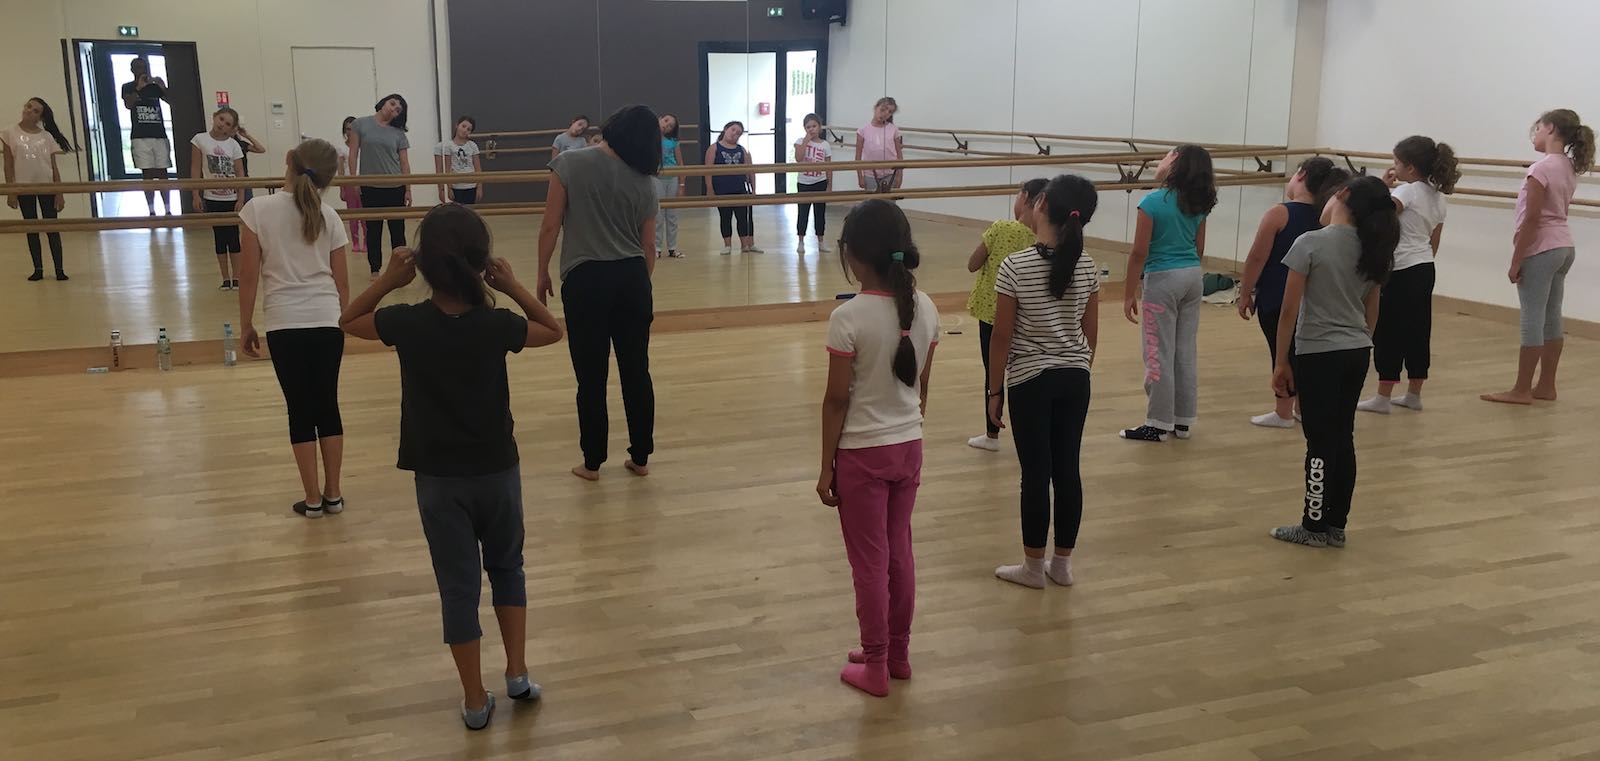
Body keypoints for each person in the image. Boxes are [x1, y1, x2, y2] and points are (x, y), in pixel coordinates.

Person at [340, 204, 563, 731]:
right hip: (497, 470)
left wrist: (388, 280)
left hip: (438, 479)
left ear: (424, 266)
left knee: (458, 587)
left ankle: (474, 699)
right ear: (481, 263)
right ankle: (517, 673)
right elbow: (552, 329)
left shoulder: (407, 322)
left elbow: (347, 321)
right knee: (507, 568)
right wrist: (512, 286)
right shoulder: (495, 324)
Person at [816, 198, 938, 697]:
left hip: (862, 454)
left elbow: (836, 400)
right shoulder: (926, 307)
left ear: (852, 255)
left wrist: (826, 467)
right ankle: (897, 655)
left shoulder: (847, 317)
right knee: (899, 553)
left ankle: (875, 665)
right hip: (908, 446)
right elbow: (922, 386)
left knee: (869, 563)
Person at [1268, 176, 1398, 548]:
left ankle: (1312, 526)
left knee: (1319, 442)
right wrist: (1362, 342)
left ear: (1342, 195)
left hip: (1318, 353)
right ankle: (1336, 525)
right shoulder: (1373, 248)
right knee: (1343, 437)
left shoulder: (1311, 242)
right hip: (1356, 350)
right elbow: (1372, 309)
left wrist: (1281, 361)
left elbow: (1288, 310)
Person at [986, 175, 1099, 588]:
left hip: (1030, 380)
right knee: (1068, 469)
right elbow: (1090, 334)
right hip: (1076, 378)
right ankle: (1062, 565)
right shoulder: (1087, 266)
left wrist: (994, 391)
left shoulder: (1015, 266)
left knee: (1035, 473)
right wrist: (1079, 367)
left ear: (1042, 204)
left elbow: (1001, 336)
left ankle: (1033, 568)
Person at [537, 105, 661, 481]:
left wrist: (542, 272)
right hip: (632, 278)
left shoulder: (569, 163)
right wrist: (639, 284)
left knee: (590, 376)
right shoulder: (646, 180)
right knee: (636, 370)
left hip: (586, 278)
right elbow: (649, 247)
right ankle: (641, 457)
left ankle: (592, 463)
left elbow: (550, 225)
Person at [235, 139, 350, 520]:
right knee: (327, 406)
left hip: (284, 324)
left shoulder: (257, 210)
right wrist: (342, 322)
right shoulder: (330, 216)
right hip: (327, 321)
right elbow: (342, 283)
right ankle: (334, 494)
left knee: (299, 409)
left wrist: (246, 325)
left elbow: (248, 277)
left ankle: (312, 499)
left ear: (288, 160)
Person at [1482, 110, 1592, 406]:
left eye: (1539, 128)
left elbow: (1531, 219)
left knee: (1532, 317)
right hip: (1563, 247)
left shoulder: (1541, 168)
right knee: (1552, 316)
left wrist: (1516, 260)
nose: (1536, 134)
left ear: (1551, 128)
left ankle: (1521, 389)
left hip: (1541, 247)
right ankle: (1545, 385)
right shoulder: (1568, 166)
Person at [1237, 157, 1351, 428]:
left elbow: (1257, 258)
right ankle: (1302, 408)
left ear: (1301, 175)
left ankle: (1283, 411)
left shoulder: (1279, 213)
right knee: (1302, 355)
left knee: (1281, 353)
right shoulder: (1328, 216)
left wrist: (1245, 292)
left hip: (1276, 297)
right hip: (1312, 300)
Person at [1357, 136, 1460, 415]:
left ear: (1411, 168)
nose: (1394, 167)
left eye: (1397, 162)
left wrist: (1381, 188)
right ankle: (1414, 393)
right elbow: (1434, 240)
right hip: (1424, 267)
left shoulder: (1408, 191)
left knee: (1389, 331)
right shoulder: (1437, 197)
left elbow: (1382, 216)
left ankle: (1383, 396)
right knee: (1418, 329)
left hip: (1401, 269)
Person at [1120, 145, 1216, 442]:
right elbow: (1199, 248)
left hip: (1162, 279)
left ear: (1176, 164)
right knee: (1184, 350)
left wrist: (1128, 293)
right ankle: (1182, 420)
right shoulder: (1199, 203)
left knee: (1157, 350)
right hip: (1192, 276)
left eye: (1167, 155)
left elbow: (1139, 252)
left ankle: (1157, 423)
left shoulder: (1152, 202)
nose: (1161, 160)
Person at [965, 178, 1046, 451]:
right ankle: (1031, 433)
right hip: (1025, 316)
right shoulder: (1040, 239)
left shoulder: (1000, 228)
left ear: (1025, 198)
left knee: (994, 373)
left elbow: (972, 264)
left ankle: (992, 434)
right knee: (1024, 372)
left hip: (992, 314)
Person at [3, 97, 73, 281]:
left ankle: (59, 269)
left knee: (52, 227)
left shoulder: (46, 136)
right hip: (24, 187)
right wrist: (11, 191)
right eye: (28, 106)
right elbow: (8, 165)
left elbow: (53, 167)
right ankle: (38, 269)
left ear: (40, 117)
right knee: (31, 227)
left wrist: (59, 192)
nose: (29, 111)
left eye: (35, 111)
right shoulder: (9, 132)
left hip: (46, 186)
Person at [349, 94, 412, 278]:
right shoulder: (360, 124)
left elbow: (404, 163)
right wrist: (353, 180)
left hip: (395, 186)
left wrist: (408, 189)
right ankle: (375, 269)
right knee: (373, 230)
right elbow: (353, 154)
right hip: (370, 187)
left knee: (397, 230)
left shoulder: (398, 133)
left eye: (398, 110)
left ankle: (398, 269)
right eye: (392, 103)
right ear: (383, 102)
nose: (393, 109)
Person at [191, 107, 248, 290]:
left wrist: (241, 198)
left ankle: (236, 277)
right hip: (212, 197)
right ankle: (225, 278)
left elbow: (240, 173)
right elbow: (195, 168)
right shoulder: (200, 139)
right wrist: (196, 194)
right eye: (221, 119)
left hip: (231, 197)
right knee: (220, 238)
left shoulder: (233, 145)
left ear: (231, 128)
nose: (222, 124)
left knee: (233, 238)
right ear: (215, 117)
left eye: (228, 124)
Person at [120, 56, 174, 217]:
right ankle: (151, 210)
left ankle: (168, 209)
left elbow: (172, 101)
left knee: (163, 173)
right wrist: (139, 88)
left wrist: (163, 87)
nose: (142, 70)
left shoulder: (155, 86)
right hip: (140, 137)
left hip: (159, 135)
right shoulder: (127, 87)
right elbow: (128, 104)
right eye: (138, 67)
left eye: (144, 66)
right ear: (132, 70)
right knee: (147, 174)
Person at [705, 121, 760, 255]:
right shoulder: (714, 148)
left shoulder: (742, 150)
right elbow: (708, 170)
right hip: (722, 190)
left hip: (740, 189)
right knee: (725, 217)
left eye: (738, 133)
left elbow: (750, 171)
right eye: (733, 130)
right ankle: (727, 245)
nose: (734, 134)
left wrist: (753, 189)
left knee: (743, 217)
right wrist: (710, 189)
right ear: (726, 129)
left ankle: (745, 244)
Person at [794, 113, 834, 253]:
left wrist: (829, 185)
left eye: (814, 126)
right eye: (808, 127)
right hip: (804, 183)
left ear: (819, 127)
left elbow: (829, 167)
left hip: (820, 182)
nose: (811, 129)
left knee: (820, 212)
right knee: (803, 212)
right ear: (804, 129)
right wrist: (806, 140)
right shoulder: (800, 141)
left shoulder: (825, 145)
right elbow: (798, 158)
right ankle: (801, 241)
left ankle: (821, 242)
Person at [855, 97, 902, 193]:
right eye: (883, 109)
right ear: (876, 107)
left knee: (888, 201)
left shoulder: (894, 130)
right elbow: (858, 156)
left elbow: (899, 155)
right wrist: (860, 176)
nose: (885, 114)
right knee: (873, 201)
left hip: (890, 173)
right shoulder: (863, 130)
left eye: (890, 112)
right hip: (870, 174)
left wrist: (899, 176)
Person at [435, 115, 484, 205]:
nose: (465, 130)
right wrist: (449, 188)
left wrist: (479, 187)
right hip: (457, 186)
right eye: (463, 126)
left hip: (471, 185)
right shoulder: (449, 146)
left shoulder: (472, 145)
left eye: (468, 129)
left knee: (470, 210)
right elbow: (448, 168)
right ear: (457, 125)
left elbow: (478, 167)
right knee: (458, 210)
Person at [656, 113, 684, 258]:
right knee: (658, 214)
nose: (667, 125)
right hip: (656, 178)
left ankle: (672, 247)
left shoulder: (673, 142)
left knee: (671, 214)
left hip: (672, 178)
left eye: (671, 125)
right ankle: (657, 248)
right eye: (666, 121)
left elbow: (680, 163)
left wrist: (681, 184)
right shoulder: (651, 139)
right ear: (660, 119)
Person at [336, 116, 365, 255]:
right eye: (348, 129)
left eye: (353, 129)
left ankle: (366, 241)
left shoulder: (364, 146)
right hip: (349, 182)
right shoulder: (341, 148)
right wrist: (341, 188)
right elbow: (340, 169)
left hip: (363, 182)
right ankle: (355, 242)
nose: (350, 132)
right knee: (353, 215)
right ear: (344, 131)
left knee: (365, 214)